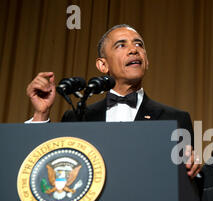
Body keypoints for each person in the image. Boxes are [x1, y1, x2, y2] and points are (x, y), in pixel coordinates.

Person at [25, 24, 200, 178]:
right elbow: (46, 170)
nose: (133, 50)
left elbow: (189, 189)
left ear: (146, 61)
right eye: (121, 45)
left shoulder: (175, 119)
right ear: (103, 65)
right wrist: (41, 113)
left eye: (138, 44)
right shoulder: (77, 117)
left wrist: (194, 172)